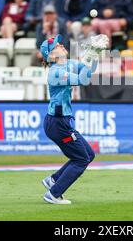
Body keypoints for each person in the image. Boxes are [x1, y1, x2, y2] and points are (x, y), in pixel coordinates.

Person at [40, 33, 97, 204]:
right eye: (57, 46)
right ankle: (53, 193)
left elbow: (88, 73)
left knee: (88, 154)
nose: (61, 45)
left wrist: (94, 54)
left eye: (60, 43)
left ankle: (54, 180)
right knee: (81, 159)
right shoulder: (55, 72)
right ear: (51, 55)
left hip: (61, 122)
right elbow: (81, 80)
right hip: (58, 123)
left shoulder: (69, 64)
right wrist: (89, 55)